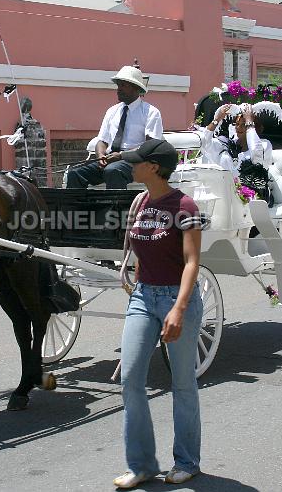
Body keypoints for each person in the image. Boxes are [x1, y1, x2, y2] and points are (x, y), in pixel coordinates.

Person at [113, 139, 204, 488]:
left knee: (183, 384)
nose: (131, 166)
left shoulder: (184, 205)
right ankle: (142, 465)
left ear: (153, 167)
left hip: (175, 298)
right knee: (131, 378)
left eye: (136, 162)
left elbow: (192, 262)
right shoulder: (140, 202)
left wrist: (178, 309)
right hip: (142, 296)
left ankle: (186, 461)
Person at [66, 66, 163, 189]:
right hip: (110, 158)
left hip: (136, 161)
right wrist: (100, 155)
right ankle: (78, 207)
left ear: (136, 88)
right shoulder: (112, 111)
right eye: (118, 85)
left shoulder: (151, 112)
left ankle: (115, 208)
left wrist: (122, 155)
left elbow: (150, 147)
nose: (119, 89)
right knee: (75, 172)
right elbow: (102, 140)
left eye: (124, 86)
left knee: (113, 171)